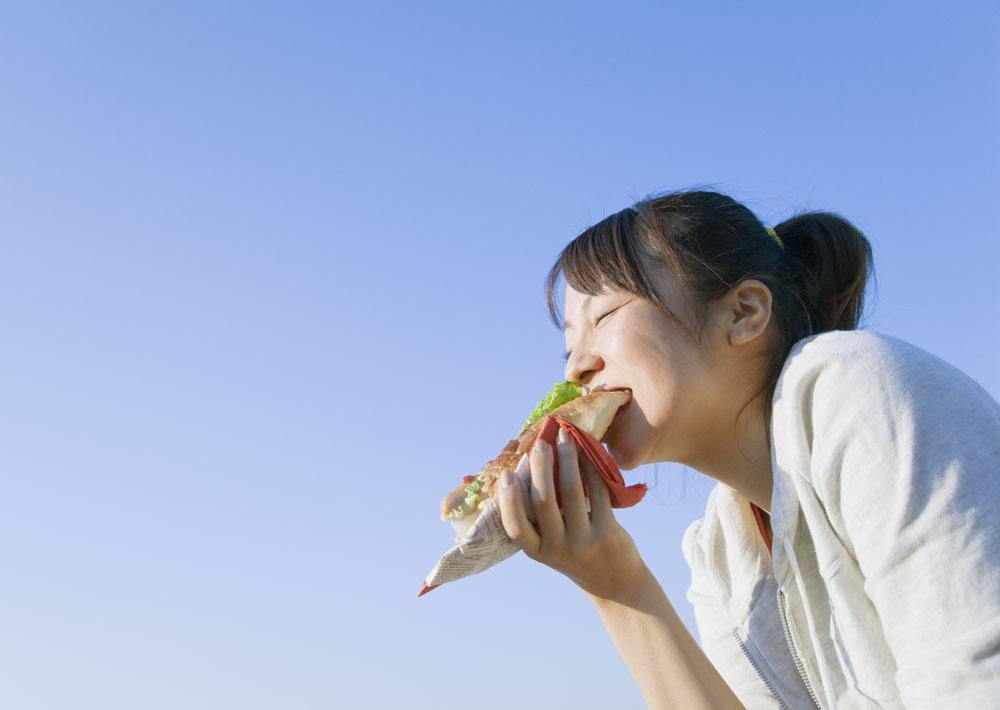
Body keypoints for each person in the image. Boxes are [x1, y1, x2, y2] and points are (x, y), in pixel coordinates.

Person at [496, 190, 1000, 709]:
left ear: (743, 312)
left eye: (602, 319)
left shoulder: (854, 387)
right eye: (568, 347)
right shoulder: (718, 551)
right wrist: (616, 586)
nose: (574, 370)